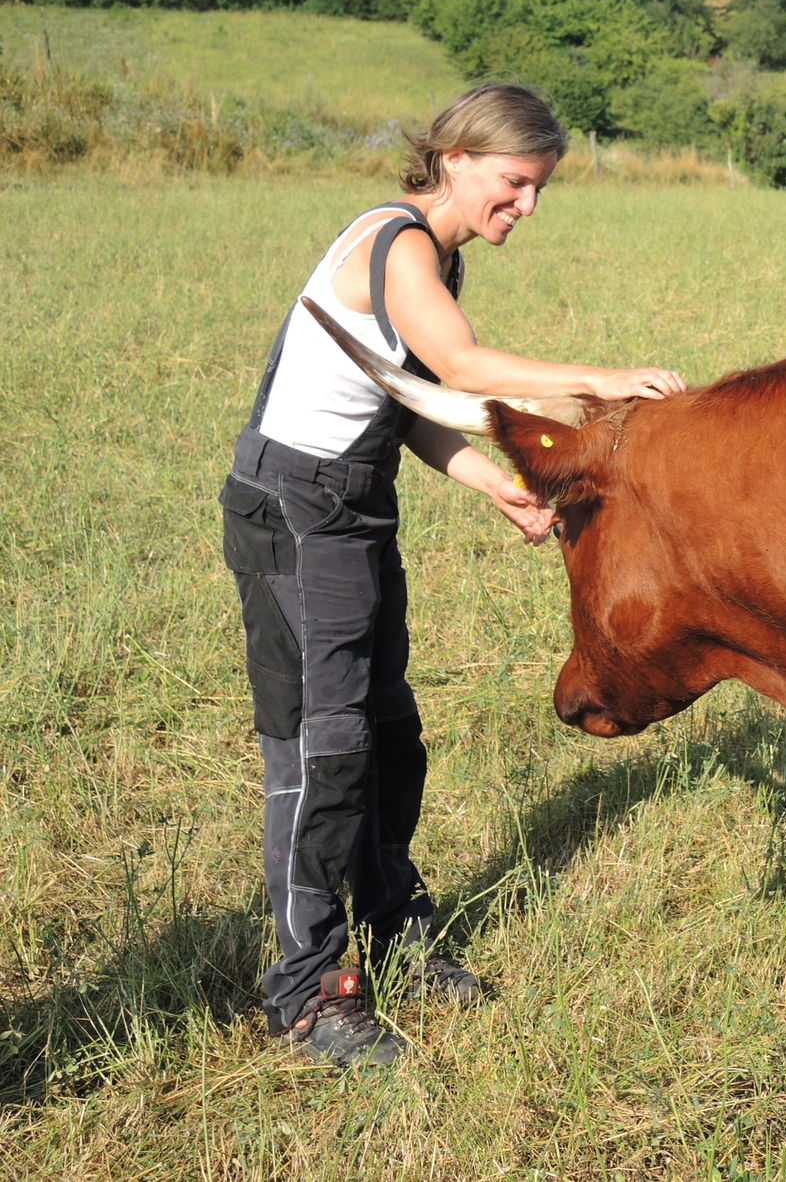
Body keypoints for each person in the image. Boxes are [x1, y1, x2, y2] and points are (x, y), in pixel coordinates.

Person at [219, 82, 686, 1069]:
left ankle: (394, 927)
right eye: (515, 183)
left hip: (353, 505)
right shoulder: (396, 246)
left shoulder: (439, 257)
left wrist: (493, 485)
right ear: (458, 158)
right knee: (324, 748)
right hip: (295, 510)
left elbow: (406, 402)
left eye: (539, 189)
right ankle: (308, 992)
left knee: (388, 735)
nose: (527, 206)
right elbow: (461, 367)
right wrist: (599, 381)